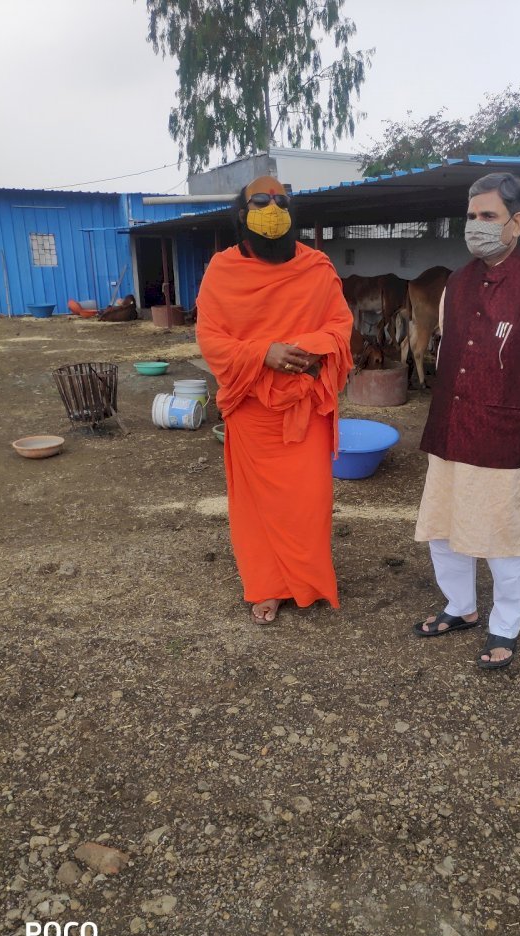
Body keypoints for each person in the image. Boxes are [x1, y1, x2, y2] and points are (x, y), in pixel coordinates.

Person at [413, 172, 520, 669]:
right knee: (444, 530)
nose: (476, 226)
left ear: (517, 223)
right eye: (470, 216)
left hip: (509, 435)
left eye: (487, 216)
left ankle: (504, 626)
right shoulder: (455, 284)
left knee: (503, 539)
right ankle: (461, 608)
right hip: (451, 429)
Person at [196, 175, 353, 624]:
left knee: (310, 501)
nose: (272, 207)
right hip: (252, 409)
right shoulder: (223, 271)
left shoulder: (316, 267)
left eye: (281, 201)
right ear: (242, 214)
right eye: (260, 201)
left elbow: (339, 327)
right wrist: (264, 352)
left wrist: (305, 350)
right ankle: (267, 585)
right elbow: (210, 338)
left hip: (304, 405)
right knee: (257, 505)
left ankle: (305, 580)